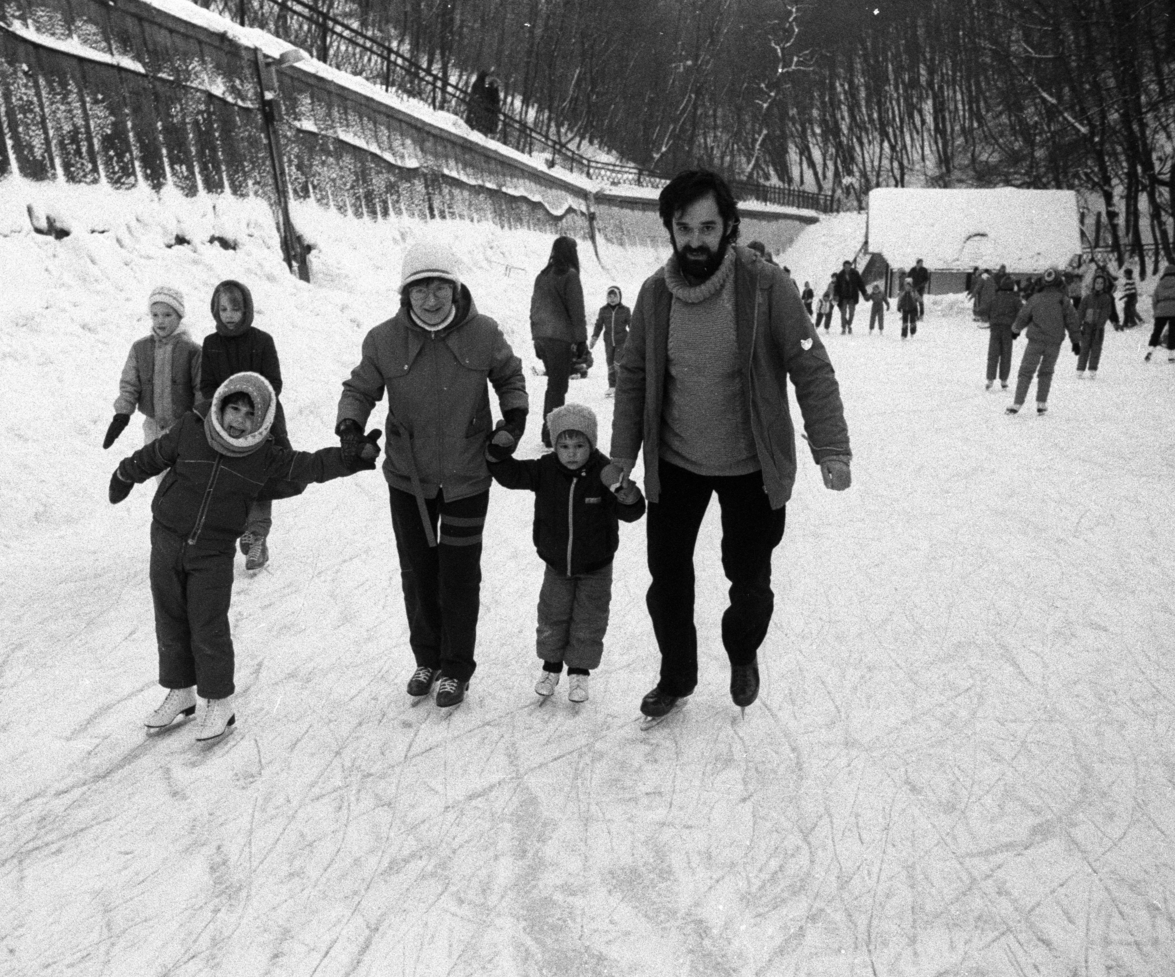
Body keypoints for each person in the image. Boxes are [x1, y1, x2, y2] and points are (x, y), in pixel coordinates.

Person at [610, 169, 853, 722]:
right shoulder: (653, 294)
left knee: (750, 583)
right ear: (670, 229)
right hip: (676, 463)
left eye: (707, 227)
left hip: (751, 466)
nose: (695, 240)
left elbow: (810, 367)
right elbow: (633, 377)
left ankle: (742, 650)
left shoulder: (766, 286)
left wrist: (831, 448)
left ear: (729, 227)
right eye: (684, 228)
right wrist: (622, 456)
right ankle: (677, 677)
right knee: (667, 580)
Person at [109, 372, 378, 742]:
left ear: (262, 420)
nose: (238, 420)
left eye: (248, 415)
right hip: (167, 539)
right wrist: (126, 473)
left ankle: (219, 702)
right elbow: (156, 454)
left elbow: (307, 466)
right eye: (233, 409)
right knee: (170, 619)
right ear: (220, 405)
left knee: (207, 625)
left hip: (213, 552)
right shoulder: (193, 427)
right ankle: (181, 692)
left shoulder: (262, 455)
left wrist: (348, 459)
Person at [337, 240, 529, 708]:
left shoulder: (483, 333)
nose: (430, 298)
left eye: (439, 286)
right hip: (410, 479)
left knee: (460, 574)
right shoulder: (384, 339)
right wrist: (350, 426)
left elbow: (510, 377)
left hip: (467, 474)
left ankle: (457, 667)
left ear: (455, 288)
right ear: (406, 293)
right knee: (419, 572)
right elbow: (360, 388)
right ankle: (427, 657)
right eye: (420, 288)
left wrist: (515, 420)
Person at [486, 403, 645, 704]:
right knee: (552, 616)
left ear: (592, 444)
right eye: (564, 445)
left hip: (597, 566)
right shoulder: (545, 470)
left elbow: (632, 512)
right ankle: (550, 668)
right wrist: (496, 454)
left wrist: (627, 494)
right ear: (555, 445)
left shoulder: (604, 472)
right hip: (557, 564)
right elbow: (512, 475)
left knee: (590, 620)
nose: (571, 453)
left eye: (579, 445)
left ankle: (579, 673)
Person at [200, 279, 287, 573]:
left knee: (261, 479)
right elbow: (207, 386)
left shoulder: (262, 341)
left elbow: (274, 383)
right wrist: (223, 408)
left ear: (246, 309)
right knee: (231, 479)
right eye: (223, 308)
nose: (229, 315)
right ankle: (243, 529)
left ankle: (258, 537)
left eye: (235, 308)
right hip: (227, 424)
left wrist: (255, 404)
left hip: (263, 420)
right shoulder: (211, 345)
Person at [104, 286, 202, 450]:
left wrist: (198, 421)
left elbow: (201, 389)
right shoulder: (140, 348)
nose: (160, 321)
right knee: (158, 471)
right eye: (155, 315)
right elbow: (130, 384)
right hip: (152, 426)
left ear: (179, 316)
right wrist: (122, 414)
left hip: (183, 425)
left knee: (180, 473)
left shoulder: (192, 351)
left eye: (167, 315)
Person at [529, 235, 588, 446]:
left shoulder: (542, 276)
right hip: (560, 339)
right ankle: (550, 433)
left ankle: (548, 431)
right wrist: (581, 341)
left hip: (544, 338)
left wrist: (536, 337)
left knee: (553, 386)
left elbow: (534, 307)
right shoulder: (570, 276)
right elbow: (577, 310)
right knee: (557, 388)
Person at [1007, 267, 1079, 415]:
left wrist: (1015, 330)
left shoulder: (1035, 298)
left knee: (1026, 372)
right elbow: (1072, 321)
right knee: (1046, 372)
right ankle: (1041, 403)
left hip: (1036, 341)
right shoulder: (1063, 300)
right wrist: (1076, 341)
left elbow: (1023, 316)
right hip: (1054, 343)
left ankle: (1017, 403)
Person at [589, 285, 631, 397]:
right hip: (608, 341)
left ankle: (621, 386)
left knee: (618, 362)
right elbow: (598, 325)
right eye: (610, 296)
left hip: (622, 341)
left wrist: (636, 337)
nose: (612, 299)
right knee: (610, 363)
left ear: (619, 297)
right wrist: (594, 338)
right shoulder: (603, 310)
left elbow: (631, 324)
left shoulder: (625, 310)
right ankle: (612, 386)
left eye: (615, 296)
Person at [984, 275, 1022, 391]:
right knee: (1006, 354)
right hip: (1008, 329)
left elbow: (984, 309)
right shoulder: (1015, 299)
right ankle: (1004, 380)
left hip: (995, 329)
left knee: (993, 354)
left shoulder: (995, 298)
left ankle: (990, 379)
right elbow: (1022, 313)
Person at [1075, 273, 1116, 377]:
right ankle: (1080, 368)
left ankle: (1092, 368)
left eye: (1101, 283)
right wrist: (1078, 325)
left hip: (1098, 328)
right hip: (1087, 326)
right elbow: (1081, 311)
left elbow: (1105, 313)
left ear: (1104, 285)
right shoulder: (1087, 298)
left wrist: (1100, 325)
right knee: (1084, 347)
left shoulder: (1106, 298)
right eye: (1097, 283)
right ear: (1093, 284)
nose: (1099, 285)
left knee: (1096, 348)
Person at [832, 260, 868, 333]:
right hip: (843, 297)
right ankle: (843, 328)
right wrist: (836, 295)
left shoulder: (855, 273)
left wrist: (864, 293)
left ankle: (849, 325)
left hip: (852, 297)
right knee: (843, 313)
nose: (848, 268)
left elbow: (860, 284)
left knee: (851, 313)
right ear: (844, 267)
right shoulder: (840, 275)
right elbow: (837, 287)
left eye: (849, 266)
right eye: (846, 267)